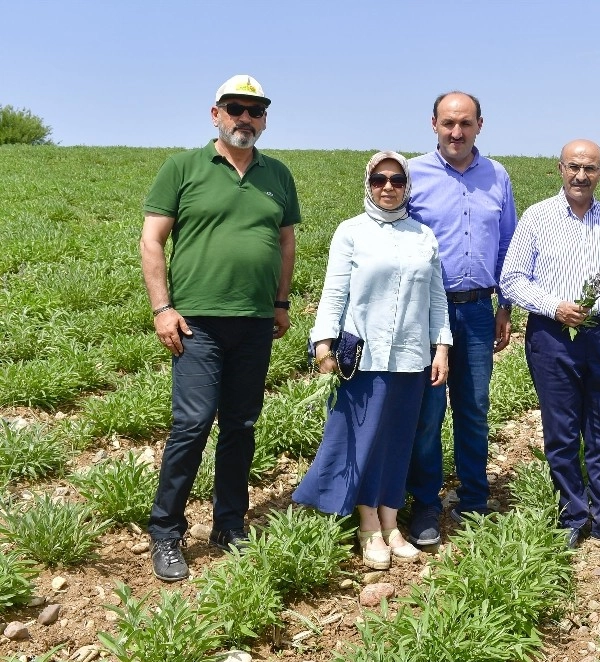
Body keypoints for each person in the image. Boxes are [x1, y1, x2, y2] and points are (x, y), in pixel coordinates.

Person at [140, 75, 299, 582]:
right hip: (196, 321)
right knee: (191, 424)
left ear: (265, 119)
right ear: (216, 114)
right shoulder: (183, 167)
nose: (244, 118)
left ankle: (229, 525)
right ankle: (166, 531)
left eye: (255, 110)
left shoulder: (277, 174)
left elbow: (286, 243)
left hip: (253, 322)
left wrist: (279, 302)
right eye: (235, 108)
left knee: (242, 425)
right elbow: (151, 241)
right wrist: (163, 308)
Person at [292, 151, 452, 570]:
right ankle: (367, 525)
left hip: (412, 356)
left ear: (407, 185)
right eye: (379, 179)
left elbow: (437, 298)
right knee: (364, 439)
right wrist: (323, 344)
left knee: (400, 439)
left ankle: (391, 519)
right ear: (368, 182)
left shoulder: (423, 235)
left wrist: (441, 347)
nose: (387, 187)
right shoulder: (351, 233)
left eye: (396, 179)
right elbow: (334, 293)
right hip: (363, 355)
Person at [500, 139, 600, 557]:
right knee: (561, 432)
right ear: (560, 169)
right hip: (551, 337)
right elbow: (511, 279)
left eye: (590, 168)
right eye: (574, 167)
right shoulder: (537, 217)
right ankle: (572, 515)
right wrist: (553, 306)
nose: (581, 175)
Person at [404, 91, 517, 547]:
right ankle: (426, 503)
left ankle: (473, 498)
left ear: (479, 126)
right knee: (428, 412)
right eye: (448, 123)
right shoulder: (412, 174)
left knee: (473, 407)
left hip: (476, 309)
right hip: (428, 310)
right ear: (433, 123)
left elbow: (508, 244)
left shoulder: (497, 176)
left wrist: (505, 306)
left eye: (465, 123)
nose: (456, 132)